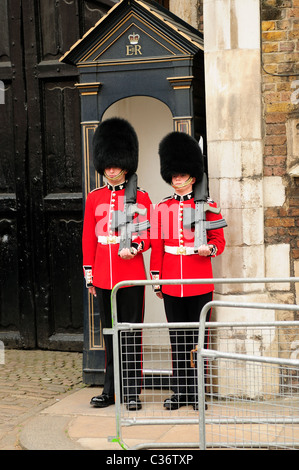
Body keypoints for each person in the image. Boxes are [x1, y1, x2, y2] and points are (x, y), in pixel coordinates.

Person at [150, 131, 226, 410]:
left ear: (193, 177)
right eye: (174, 176)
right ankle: (180, 392)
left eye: (182, 175)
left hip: (199, 282)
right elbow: (157, 246)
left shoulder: (208, 205)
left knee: (198, 342)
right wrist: (157, 280)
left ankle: (198, 393)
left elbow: (220, 242)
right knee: (177, 342)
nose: (177, 180)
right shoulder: (162, 208)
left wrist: (211, 250)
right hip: (171, 281)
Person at [82, 117, 151, 411]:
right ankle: (110, 390)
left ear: (125, 164)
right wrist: (89, 274)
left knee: (131, 333)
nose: (111, 170)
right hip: (103, 276)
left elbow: (150, 233)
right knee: (110, 335)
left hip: (131, 273)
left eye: (115, 165)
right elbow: (88, 237)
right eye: (107, 165)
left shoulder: (141, 197)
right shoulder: (94, 197)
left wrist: (136, 247)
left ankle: (133, 391)